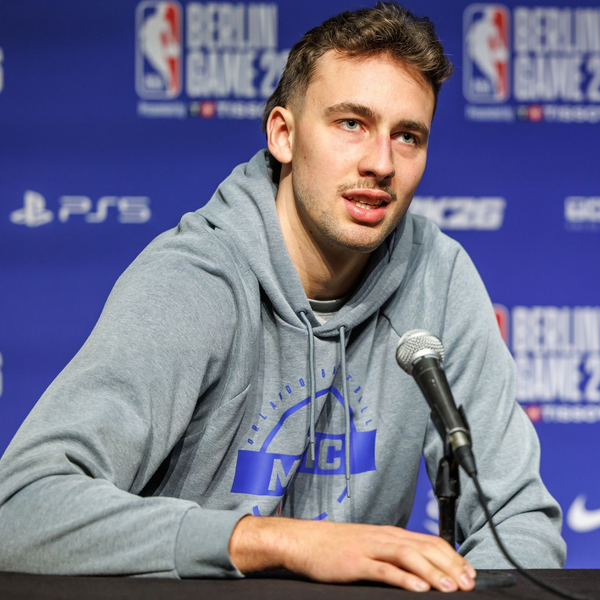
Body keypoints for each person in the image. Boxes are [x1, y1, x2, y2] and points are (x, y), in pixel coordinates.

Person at [0, 2, 566, 592]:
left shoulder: (437, 277)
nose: (381, 163)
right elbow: (19, 507)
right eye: (352, 123)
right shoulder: (195, 279)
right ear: (284, 135)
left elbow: (517, 518)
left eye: (407, 136)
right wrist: (280, 542)